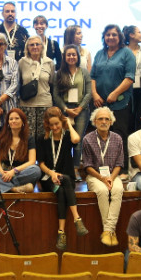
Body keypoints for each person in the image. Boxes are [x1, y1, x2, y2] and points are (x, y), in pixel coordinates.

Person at [38, 107, 86, 251]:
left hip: (66, 178)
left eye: (57, 124)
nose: (54, 127)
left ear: (61, 122)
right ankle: (77, 218)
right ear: (47, 125)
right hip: (48, 179)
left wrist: (69, 124)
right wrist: (52, 174)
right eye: (51, 125)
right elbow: (40, 163)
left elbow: (76, 139)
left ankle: (61, 232)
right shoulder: (43, 138)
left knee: (62, 187)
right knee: (62, 185)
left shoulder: (67, 137)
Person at [82, 107, 127, 248]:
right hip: (94, 176)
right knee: (102, 191)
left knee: (118, 190)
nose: (104, 121)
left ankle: (107, 230)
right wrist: (102, 178)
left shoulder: (117, 138)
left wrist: (112, 178)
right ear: (94, 122)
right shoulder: (87, 139)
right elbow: (87, 166)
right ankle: (110, 230)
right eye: (100, 119)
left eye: (107, 119)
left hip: (113, 175)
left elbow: (120, 164)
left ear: (111, 121)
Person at [90, 24, 137, 147]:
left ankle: (121, 166)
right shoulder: (99, 54)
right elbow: (93, 76)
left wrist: (115, 93)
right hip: (100, 103)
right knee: (100, 135)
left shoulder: (127, 53)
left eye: (114, 34)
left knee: (119, 135)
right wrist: (94, 94)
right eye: (108, 35)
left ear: (120, 37)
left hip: (120, 103)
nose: (110, 37)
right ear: (104, 37)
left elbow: (129, 78)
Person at [0, 108, 41, 193]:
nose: (13, 121)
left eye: (17, 118)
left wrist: (13, 172)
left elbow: (32, 161)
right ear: (8, 122)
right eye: (11, 119)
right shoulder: (2, 138)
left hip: (20, 172)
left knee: (36, 170)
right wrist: (2, 173)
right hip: (4, 171)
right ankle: (14, 189)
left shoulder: (29, 139)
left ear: (23, 121)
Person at [18, 35, 55, 140]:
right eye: (31, 45)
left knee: (43, 137)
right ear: (27, 48)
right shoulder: (22, 62)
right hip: (27, 104)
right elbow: (19, 82)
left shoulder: (49, 63)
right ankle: (30, 157)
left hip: (45, 104)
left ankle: (42, 157)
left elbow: (51, 83)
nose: (35, 47)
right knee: (27, 137)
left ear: (42, 47)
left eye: (37, 44)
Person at [55, 44, 93, 136]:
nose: (71, 57)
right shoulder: (59, 73)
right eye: (68, 55)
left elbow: (89, 92)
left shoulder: (84, 72)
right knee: (66, 140)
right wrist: (66, 109)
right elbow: (56, 95)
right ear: (64, 57)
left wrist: (80, 108)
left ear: (78, 56)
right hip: (65, 109)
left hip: (81, 109)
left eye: (74, 54)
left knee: (78, 141)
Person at [124, 25, 141, 132]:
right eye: (139, 32)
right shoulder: (123, 51)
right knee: (129, 114)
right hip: (127, 84)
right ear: (131, 35)